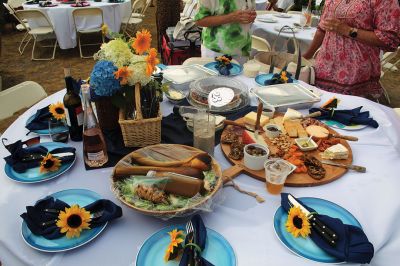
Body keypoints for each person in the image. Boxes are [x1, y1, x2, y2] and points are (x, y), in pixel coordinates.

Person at [303, 0, 400, 99]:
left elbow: (389, 39)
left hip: (355, 75)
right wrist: (306, 56)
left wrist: (348, 30)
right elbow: (322, 28)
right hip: (323, 69)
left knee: (346, 111)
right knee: (319, 108)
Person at [194, 0, 257, 64]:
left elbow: (249, 8)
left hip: (243, 49)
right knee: (215, 74)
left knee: (242, 73)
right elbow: (199, 20)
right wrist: (231, 17)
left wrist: (252, 16)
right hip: (217, 50)